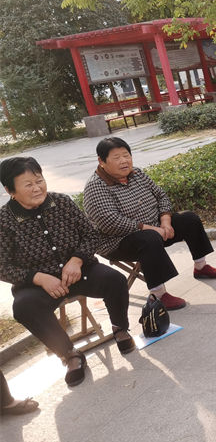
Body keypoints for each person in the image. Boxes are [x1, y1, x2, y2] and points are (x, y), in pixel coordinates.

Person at [0, 157, 133, 388]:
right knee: (24, 307)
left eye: (39, 180)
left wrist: (77, 260)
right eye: (28, 184)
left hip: (80, 271)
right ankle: (70, 354)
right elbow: (2, 265)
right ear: (10, 190)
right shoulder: (4, 220)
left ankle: (120, 329)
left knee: (114, 280)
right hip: (37, 285)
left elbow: (91, 235)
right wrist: (38, 278)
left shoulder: (61, 202)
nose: (37, 188)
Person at [83, 137, 216, 311]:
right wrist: (150, 229)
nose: (124, 161)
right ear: (102, 161)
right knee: (148, 238)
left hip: (155, 228)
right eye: (116, 157)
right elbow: (110, 222)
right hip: (117, 242)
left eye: (126, 155)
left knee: (189, 218)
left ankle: (201, 266)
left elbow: (161, 196)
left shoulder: (137, 173)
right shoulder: (96, 187)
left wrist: (165, 221)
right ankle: (158, 295)